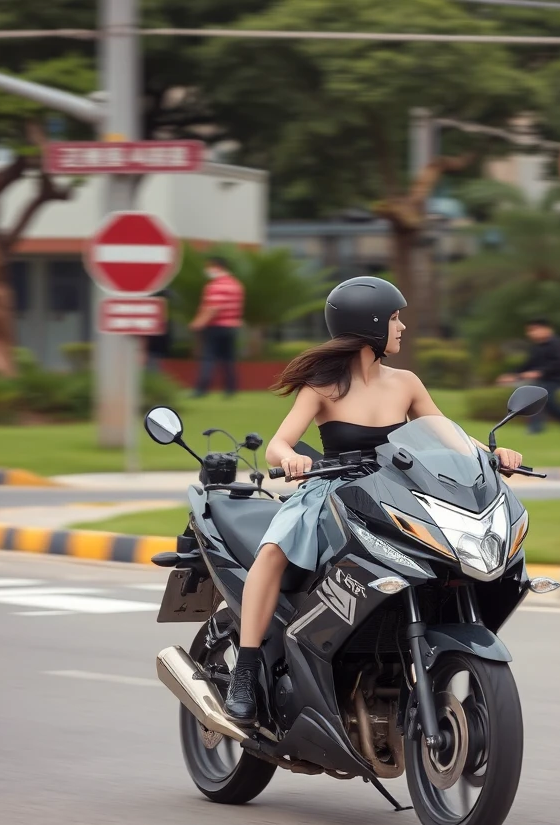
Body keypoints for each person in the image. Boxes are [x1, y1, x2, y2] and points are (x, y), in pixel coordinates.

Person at [223, 276, 524, 722]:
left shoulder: (406, 383)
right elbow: (278, 445)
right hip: (335, 489)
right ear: (372, 326)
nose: (402, 328)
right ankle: (245, 669)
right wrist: (291, 460)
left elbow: (449, 435)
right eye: (396, 319)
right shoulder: (324, 386)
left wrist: (492, 453)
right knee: (271, 553)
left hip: (392, 491)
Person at [496, 317, 560, 433]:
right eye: (530, 331)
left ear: (546, 329)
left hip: (556, 380)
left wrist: (540, 372)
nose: (531, 333)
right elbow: (528, 365)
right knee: (532, 395)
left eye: (534, 330)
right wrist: (513, 375)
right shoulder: (536, 347)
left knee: (541, 397)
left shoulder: (557, 344)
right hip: (541, 381)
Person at [191, 256, 245, 397]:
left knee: (208, 358)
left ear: (217, 267)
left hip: (215, 327)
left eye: (209, 266)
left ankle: (201, 389)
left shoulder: (215, 286)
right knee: (228, 359)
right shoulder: (236, 285)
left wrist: (198, 323)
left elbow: (213, 308)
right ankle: (231, 389)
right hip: (232, 327)